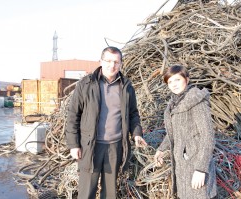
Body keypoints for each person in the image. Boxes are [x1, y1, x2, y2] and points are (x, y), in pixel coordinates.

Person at [65, 46, 147, 199]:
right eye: (108, 61)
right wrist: (73, 145)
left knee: (110, 193)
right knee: (86, 191)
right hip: (90, 147)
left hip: (115, 147)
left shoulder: (126, 86)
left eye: (116, 62)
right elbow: (73, 115)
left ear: (121, 63)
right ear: (101, 61)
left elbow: (133, 113)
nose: (112, 65)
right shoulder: (86, 84)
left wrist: (136, 134)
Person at [154, 65, 217, 199]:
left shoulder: (196, 101)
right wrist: (161, 149)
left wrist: (201, 169)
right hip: (182, 165)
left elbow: (208, 136)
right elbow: (175, 132)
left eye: (177, 80)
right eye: (170, 82)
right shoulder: (173, 104)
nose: (173, 85)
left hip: (196, 164)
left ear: (187, 80)